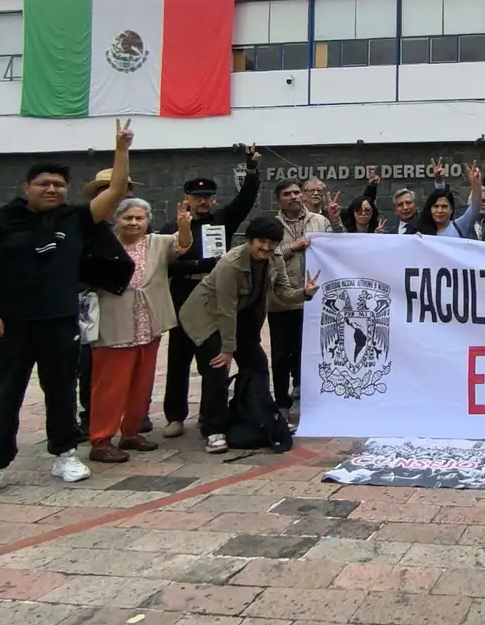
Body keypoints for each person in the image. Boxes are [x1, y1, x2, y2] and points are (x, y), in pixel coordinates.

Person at [0, 120, 135, 492]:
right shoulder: (3, 221)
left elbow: (116, 191)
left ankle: (65, 454)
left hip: (60, 319)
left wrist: (121, 150)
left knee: (61, 390)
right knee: (6, 393)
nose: (52, 189)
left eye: (58, 184)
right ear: (26, 187)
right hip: (12, 323)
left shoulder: (75, 219)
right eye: (44, 183)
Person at [178, 215, 318, 453]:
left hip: (242, 317)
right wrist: (227, 349)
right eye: (261, 241)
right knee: (217, 367)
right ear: (250, 240)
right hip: (207, 317)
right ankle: (213, 429)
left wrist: (305, 293)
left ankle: (261, 416)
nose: (266, 247)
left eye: (272, 242)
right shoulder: (231, 264)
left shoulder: (275, 259)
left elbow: (283, 292)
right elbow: (225, 309)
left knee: (258, 364)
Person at [159, 147, 260, 439]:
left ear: (214, 199)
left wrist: (251, 169)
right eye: (197, 197)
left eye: (208, 197)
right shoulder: (172, 226)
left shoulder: (222, 220)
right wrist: (200, 264)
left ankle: (210, 415)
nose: (203, 201)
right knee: (179, 359)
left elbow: (246, 199)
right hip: (183, 292)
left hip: (214, 295)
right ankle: (175, 416)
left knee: (213, 360)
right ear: (186, 199)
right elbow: (167, 266)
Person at [88, 199, 193, 463]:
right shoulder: (103, 244)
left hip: (148, 324)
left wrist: (184, 226)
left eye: (139, 218)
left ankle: (131, 432)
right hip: (114, 324)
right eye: (128, 218)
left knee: (142, 384)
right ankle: (101, 440)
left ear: (147, 222)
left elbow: (182, 245)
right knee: (110, 386)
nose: (134, 223)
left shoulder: (156, 242)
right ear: (116, 220)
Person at [75, 167, 139, 437]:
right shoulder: (85, 226)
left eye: (123, 191)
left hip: (128, 305)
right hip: (92, 302)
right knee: (90, 363)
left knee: (129, 362)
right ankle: (90, 416)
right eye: (109, 191)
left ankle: (131, 415)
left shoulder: (137, 224)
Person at [269, 179, 341, 412]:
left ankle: (307, 397)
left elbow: (339, 247)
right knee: (281, 355)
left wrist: (335, 222)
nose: (294, 197)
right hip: (282, 300)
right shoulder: (272, 225)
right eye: (287, 194)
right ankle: (281, 403)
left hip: (315, 299)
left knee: (310, 352)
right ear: (278, 200)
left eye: (297, 192)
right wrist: (292, 247)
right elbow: (266, 255)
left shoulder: (319, 221)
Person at [416, 164, 483, 237]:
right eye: (436, 206)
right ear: (430, 209)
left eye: (444, 206)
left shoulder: (459, 226)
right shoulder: (422, 231)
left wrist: (475, 183)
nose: (440, 211)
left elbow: (475, 207)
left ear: (451, 209)